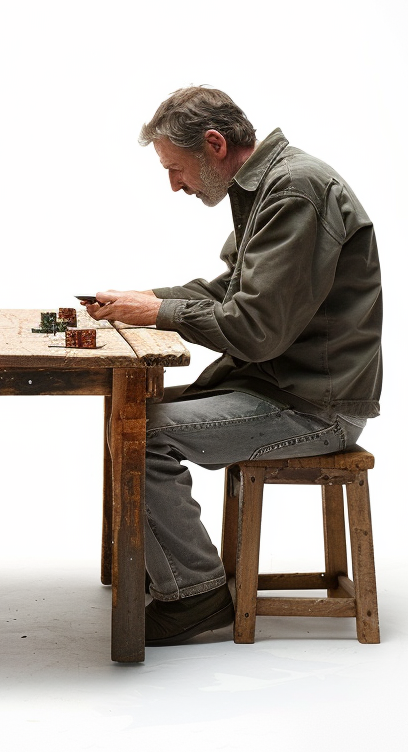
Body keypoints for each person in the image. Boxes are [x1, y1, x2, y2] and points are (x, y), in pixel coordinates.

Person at [87, 86, 382, 646]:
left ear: (214, 145)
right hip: (281, 388)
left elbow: (255, 329)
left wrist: (158, 311)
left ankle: (194, 596)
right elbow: (231, 289)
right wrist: (143, 299)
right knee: (128, 413)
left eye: (175, 169)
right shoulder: (270, 185)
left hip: (315, 405)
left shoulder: (296, 190)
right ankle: (161, 573)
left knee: (141, 434)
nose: (174, 185)